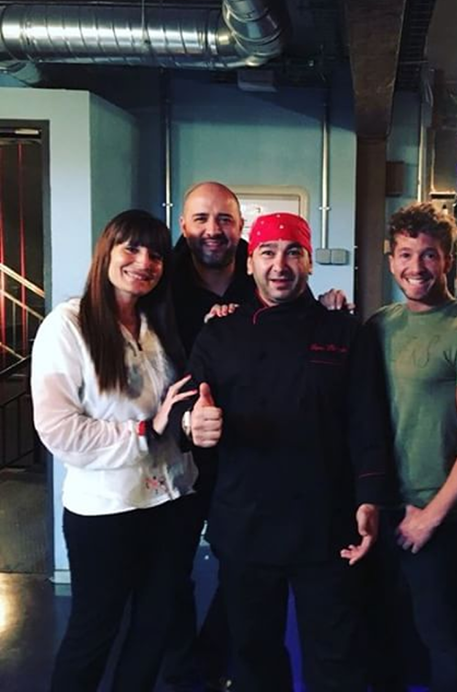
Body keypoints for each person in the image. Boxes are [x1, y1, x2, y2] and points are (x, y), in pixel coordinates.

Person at [178, 211, 389, 692]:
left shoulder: (343, 331)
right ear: (249, 262)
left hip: (327, 524)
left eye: (293, 252)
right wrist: (192, 422)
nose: (280, 265)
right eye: (268, 253)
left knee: (337, 656)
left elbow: (367, 422)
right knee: (252, 656)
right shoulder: (219, 332)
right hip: (245, 521)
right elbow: (183, 405)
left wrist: (370, 499)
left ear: (309, 262)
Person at [31, 210, 198, 692]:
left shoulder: (157, 323)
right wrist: (145, 430)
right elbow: (59, 431)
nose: (144, 262)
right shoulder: (67, 326)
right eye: (132, 249)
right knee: (94, 631)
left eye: (156, 255)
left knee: (153, 628)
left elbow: (176, 406)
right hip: (106, 512)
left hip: (170, 501)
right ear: (106, 251)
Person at [367, 202, 457, 692]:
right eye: (406, 254)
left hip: (436, 516)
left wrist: (430, 517)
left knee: (440, 638)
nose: (416, 267)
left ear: (447, 258)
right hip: (382, 507)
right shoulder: (379, 325)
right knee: (383, 635)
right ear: (391, 259)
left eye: (429, 254)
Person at [163, 181, 253, 692]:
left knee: (243, 564)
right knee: (169, 569)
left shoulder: (260, 274)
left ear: (239, 226)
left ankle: (214, 660)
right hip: (172, 450)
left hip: (245, 450)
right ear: (184, 225)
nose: (213, 230)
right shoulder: (161, 282)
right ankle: (181, 671)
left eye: (224, 219)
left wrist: (329, 306)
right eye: (201, 219)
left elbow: (294, 321)